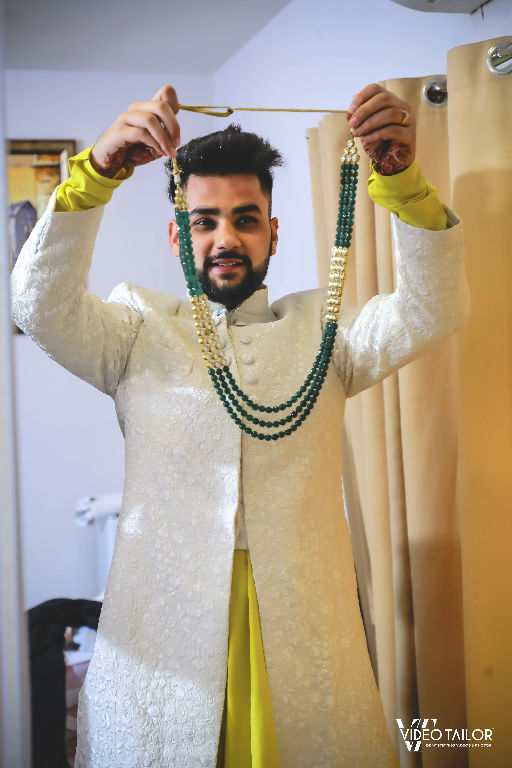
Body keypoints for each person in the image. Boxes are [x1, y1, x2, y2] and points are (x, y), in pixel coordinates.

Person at [11, 83, 469, 768]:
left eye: (246, 219)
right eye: (204, 221)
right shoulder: (134, 329)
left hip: (306, 638)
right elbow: (37, 304)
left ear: (272, 233)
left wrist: (403, 179)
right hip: (161, 645)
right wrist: (97, 173)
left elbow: (434, 309)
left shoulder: (327, 332)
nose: (225, 238)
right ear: (175, 233)